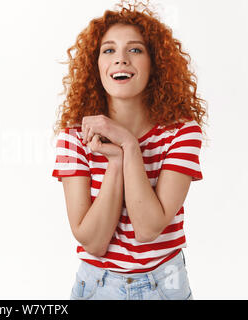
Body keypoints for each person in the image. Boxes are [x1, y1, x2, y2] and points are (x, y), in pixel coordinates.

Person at [51, 0, 207, 300]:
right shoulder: (74, 136)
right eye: (109, 50)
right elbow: (94, 242)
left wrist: (130, 145)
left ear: (155, 63)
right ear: (96, 65)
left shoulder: (183, 132)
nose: (120, 59)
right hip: (96, 286)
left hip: (166, 283)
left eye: (135, 49)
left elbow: (148, 228)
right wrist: (116, 161)